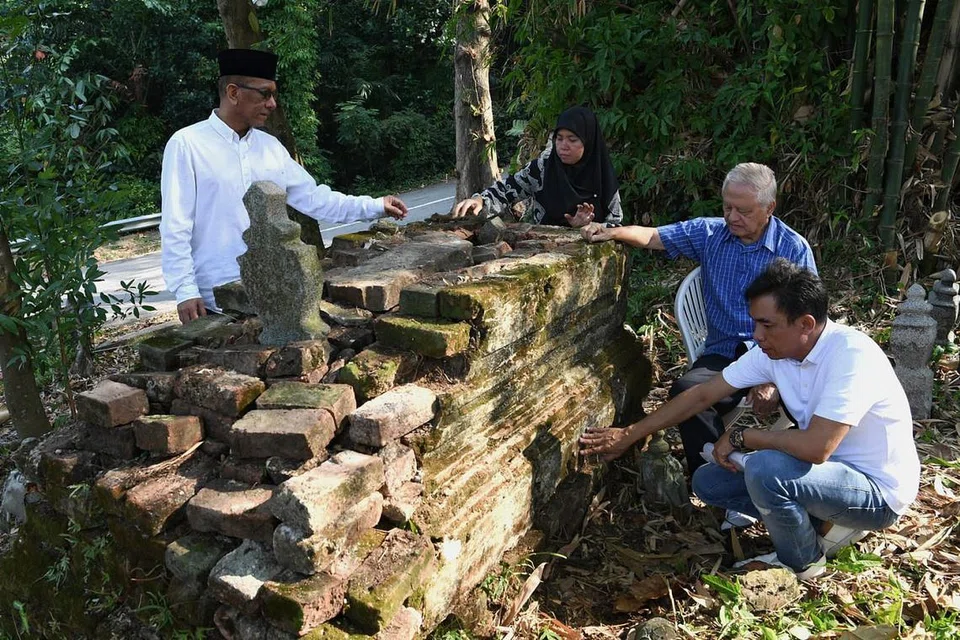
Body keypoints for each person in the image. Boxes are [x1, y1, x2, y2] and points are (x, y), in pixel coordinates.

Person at [581, 259, 920, 580]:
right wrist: (629, 434)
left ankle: (802, 562)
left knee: (763, 468)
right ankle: (821, 524)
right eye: (756, 322)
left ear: (805, 324)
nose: (756, 335)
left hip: (876, 493)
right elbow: (701, 395)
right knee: (708, 481)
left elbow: (818, 448)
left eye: (767, 325)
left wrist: (747, 438)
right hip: (822, 478)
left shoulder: (850, 355)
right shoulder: (777, 353)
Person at [580, 163, 816, 485]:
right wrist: (610, 231)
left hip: (780, 355)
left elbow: (807, 327)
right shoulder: (711, 234)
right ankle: (714, 481)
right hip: (724, 353)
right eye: (727, 207)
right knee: (687, 393)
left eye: (743, 210)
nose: (733, 217)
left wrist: (775, 380)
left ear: (769, 208)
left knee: (810, 402)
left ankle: (797, 484)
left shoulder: (793, 249)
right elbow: (652, 236)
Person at [161, 49, 408, 325]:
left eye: (273, 95)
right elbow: (176, 225)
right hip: (214, 301)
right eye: (264, 94)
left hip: (273, 293)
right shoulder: (187, 145)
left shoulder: (270, 148)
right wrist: (185, 290)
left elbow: (314, 198)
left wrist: (375, 206)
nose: (272, 104)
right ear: (233, 92)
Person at [451, 106, 622, 228]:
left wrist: (586, 227)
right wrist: (479, 200)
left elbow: (616, 226)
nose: (563, 145)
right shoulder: (545, 167)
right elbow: (509, 189)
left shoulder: (602, 176)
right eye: (559, 138)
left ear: (588, 141)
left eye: (572, 139)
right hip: (542, 251)